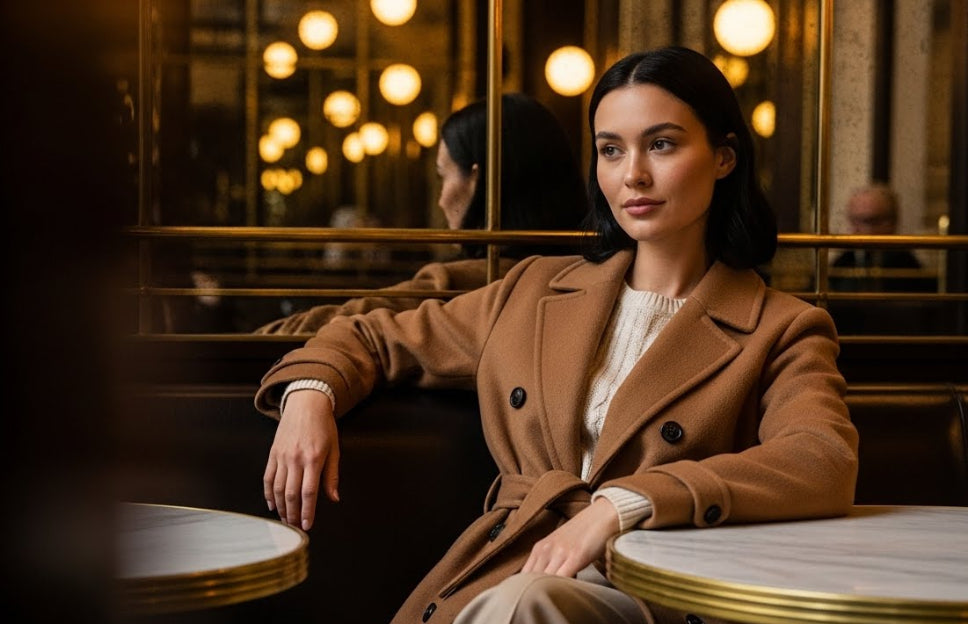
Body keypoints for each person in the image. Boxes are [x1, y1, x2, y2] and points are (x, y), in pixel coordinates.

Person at [253, 46, 858, 624]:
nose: (634, 175)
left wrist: (624, 506)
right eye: (611, 151)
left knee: (526, 606)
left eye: (663, 145)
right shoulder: (534, 292)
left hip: (656, 590)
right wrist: (311, 394)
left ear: (724, 157)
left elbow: (820, 459)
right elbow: (371, 337)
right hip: (521, 566)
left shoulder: (781, 327)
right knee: (522, 602)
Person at [254, 92, 588, 335]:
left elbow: (338, 325)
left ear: (477, 180)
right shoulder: (594, 274)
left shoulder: (468, 282)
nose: (441, 200)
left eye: (443, 176)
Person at [830, 182, 934, 293]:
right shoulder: (843, 262)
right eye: (853, 220)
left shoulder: (908, 269)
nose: (855, 230)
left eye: (867, 221)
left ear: (891, 223)